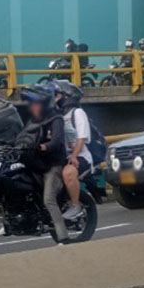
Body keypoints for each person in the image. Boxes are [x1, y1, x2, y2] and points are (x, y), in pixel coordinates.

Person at [21, 84, 70, 243]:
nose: (31, 107)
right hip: (35, 164)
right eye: (30, 104)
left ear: (44, 104)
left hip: (52, 166)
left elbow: (56, 142)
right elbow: (22, 138)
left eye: (34, 103)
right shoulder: (31, 122)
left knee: (48, 199)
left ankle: (63, 236)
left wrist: (42, 146)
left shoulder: (56, 119)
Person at [54, 82, 93, 221]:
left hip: (80, 156)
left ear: (67, 97)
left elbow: (81, 138)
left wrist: (75, 155)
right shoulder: (57, 115)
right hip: (63, 157)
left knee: (68, 172)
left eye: (58, 95)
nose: (55, 99)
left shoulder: (77, 113)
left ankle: (76, 206)